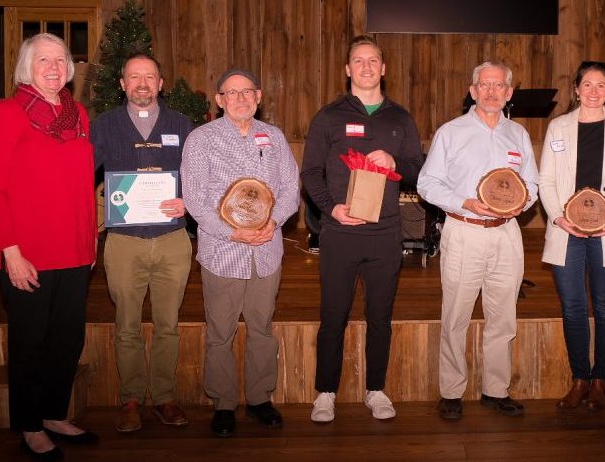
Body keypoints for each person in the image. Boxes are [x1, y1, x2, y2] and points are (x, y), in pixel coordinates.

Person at [0, 33, 99, 460]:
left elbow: (84, 185)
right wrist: (10, 250)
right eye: (43, 59)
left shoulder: (79, 114)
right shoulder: (9, 113)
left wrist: (90, 241)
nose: (53, 67)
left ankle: (53, 412)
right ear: (27, 67)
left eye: (60, 59)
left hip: (74, 249)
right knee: (30, 342)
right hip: (26, 253)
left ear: (69, 68)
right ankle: (30, 425)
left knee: (67, 339)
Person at [302, 35, 424, 423]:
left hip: (386, 234)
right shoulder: (328, 116)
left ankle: (376, 389)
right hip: (339, 233)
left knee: (380, 317)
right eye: (359, 60)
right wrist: (331, 209)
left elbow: (421, 172)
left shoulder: (400, 118)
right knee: (333, 315)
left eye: (373, 60)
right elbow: (310, 172)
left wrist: (395, 160)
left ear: (383, 69)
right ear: (347, 69)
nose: (366, 67)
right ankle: (325, 392)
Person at [180, 68, 300, 437]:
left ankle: (260, 399)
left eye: (247, 91)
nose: (241, 98)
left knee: (262, 329)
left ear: (259, 96)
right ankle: (224, 403)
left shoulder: (275, 137)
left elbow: (291, 188)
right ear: (219, 100)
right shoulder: (201, 140)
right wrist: (234, 233)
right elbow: (196, 201)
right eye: (232, 93)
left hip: (266, 249)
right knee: (221, 331)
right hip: (222, 252)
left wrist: (273, 222)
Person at [418, 61, 539, 420]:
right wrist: (463, 202)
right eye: (483, 85)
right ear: (472, 91)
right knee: (455, 315)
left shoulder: (517, 135)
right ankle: (452, 391)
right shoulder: (450, 132)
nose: (490, 91)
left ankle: (495, 389)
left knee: (504, 317)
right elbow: (427, 183)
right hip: (464, 230)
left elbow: (532, 184)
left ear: (509, 92)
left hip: (506, 234)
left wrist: (519, 204)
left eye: (498, 85)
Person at [92, 54, 192, 433]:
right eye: (134, 77)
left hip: (172, 240)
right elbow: (82, 175)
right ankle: (131, 399)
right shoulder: (105, 126)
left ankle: (164, 397)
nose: (142, 83)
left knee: (168, 324)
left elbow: (198, 177)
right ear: (122, 84)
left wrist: (191, 201)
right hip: (124, 242)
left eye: (149, 76)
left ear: (161, 83)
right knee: (127, 325)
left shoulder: (181, 125)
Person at [538, 61, 605, 412]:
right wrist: (557, 217)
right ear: (577, 89)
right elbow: (546, 181)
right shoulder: (558, 127)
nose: (594, 91)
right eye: (588, 84)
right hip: (567, 232)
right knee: (572, 308)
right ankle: (580, 377)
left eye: (601, 85)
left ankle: (601, 380)